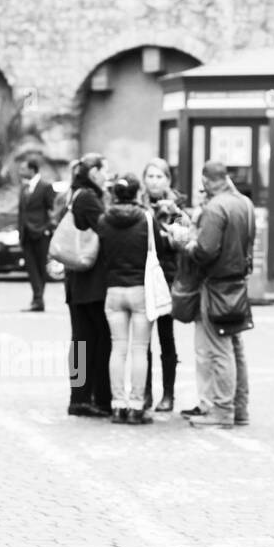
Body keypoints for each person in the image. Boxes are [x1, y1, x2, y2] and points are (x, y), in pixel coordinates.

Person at [177, 161, 253, 429]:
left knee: (220, 350)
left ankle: (223, 410)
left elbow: (205, 251)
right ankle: (240, 407)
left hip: (216, 286)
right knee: (235, 348)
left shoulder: (215, 208)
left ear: (207, 180)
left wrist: (187, 245)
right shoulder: (245, 203)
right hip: (238, 285)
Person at [98, 173, 155, 425]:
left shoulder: (103, 219)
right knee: (140, 350)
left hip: (113, 289)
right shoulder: (146, 219)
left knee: (117, 348)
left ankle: (117, 404)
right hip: (139, 288)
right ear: (137, 193)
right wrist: (176, 215)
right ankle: (136, 405)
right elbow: (169, 243)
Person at [140, 158, 189, 413]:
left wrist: (172, 226)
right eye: (150, 176)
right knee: (143, 339)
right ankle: (146, 392)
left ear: (168, 180)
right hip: (143, 276)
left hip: (168, 275)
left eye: (159, 177)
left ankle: (168, 394)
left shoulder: (178, 207)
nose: (154, 181)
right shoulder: (138, 205)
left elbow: (184, 240)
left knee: (166, 337)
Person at [65, 153, 112, 417]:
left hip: (78, 280)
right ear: (94, 172)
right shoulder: (87, 198)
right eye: (105, 171)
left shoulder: (76, 194)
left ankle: (80, 396)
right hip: (90, 281)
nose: (107, 176)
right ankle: (93, 397)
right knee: (96, 339)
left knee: (82, 339)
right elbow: (105, 229)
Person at [17, 157, 56, 312]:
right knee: (31, 268)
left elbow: (52, 210)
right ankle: (38, 298)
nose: (20, 172)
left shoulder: (45, 187)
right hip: (26, 233)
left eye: (23, 169)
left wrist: (47, 228)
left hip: (41, 233)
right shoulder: (23, 188)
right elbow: (21, 211)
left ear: (32, 170)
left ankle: (38, 299)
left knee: (40, 268)